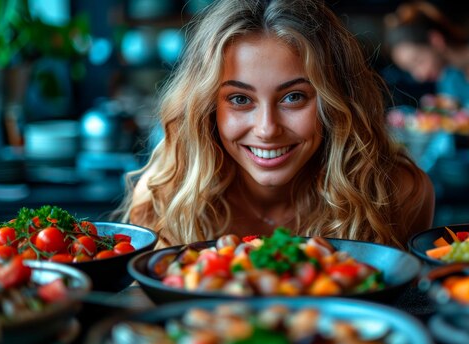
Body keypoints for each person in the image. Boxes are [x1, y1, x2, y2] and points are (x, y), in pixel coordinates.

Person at [117, 0, 435, 249]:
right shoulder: (161, 200)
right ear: (206, 108)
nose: (267, 129)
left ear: (337, 102)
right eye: (240, 99)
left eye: (294, 97)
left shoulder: (399, 194)